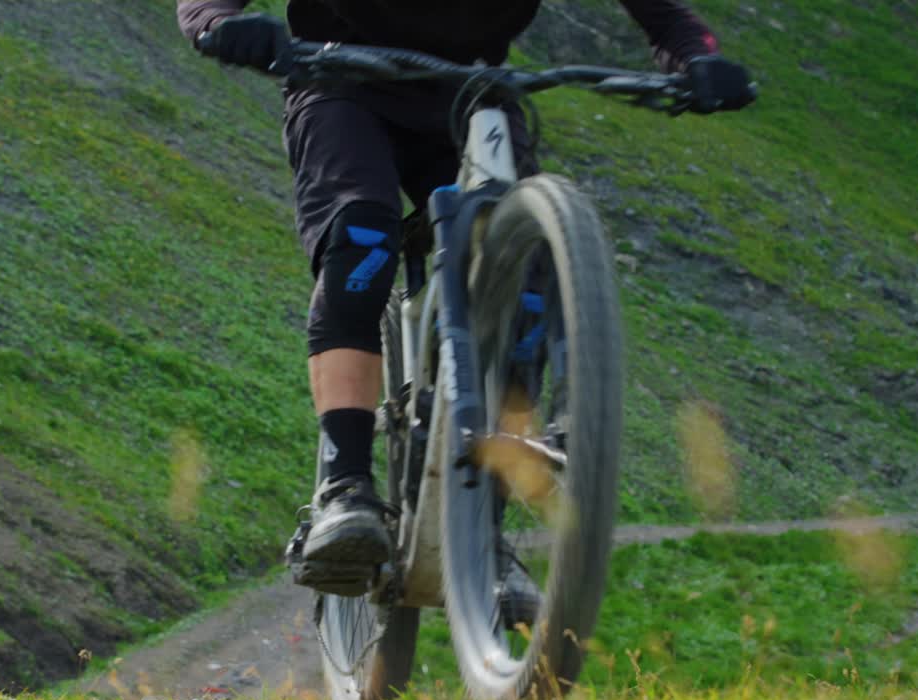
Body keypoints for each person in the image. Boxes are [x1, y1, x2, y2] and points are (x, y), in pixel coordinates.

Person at [177, 1, 753, 598]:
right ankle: (343, 488)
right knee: (363, 244)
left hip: (473, 95)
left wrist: (699, 59)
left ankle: (485, 533)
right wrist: (218, 25)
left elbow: (666, 15)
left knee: (528, 270)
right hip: (340, 82)